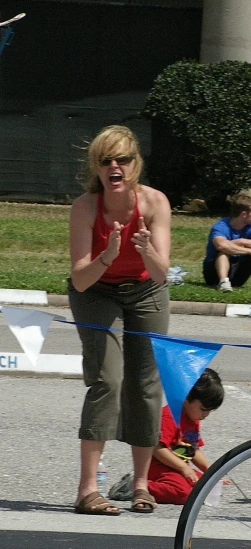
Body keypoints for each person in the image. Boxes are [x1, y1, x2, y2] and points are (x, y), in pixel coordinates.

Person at [69, 124, 171, 515]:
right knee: (107, 380)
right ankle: (87, 489)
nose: (114, 166)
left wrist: (144, 249)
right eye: (105, 160)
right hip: (96, 291)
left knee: (146, 384)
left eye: (122, 159)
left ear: (135, 165)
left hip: (146, 290)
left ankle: (141, 485)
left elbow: (161, 274)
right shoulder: (85, 208)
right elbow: (80, 278)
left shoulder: (154, 203)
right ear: (96, 168)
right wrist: (107, 255)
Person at [109, 369, 225, 505]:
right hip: (160, 469)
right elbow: (157, 448)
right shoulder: (169, 416)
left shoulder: (193, 420)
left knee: (205, 487)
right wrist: (183, 467)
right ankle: (135, 486)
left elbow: (193, 450)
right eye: (203, 409)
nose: (206, 415)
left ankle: (145, 486)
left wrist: (211, 471)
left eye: (209, 411)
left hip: (175, 469)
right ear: (187, 396)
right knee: (184, 494)